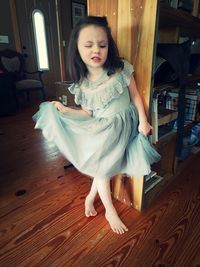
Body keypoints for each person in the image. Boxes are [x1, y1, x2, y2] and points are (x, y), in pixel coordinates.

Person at [33, 16, 160, 235]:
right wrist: (65, 110)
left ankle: (90, 198)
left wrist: (143, 120)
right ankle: (109, 210)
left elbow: (136, 96)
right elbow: (86, 113)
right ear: (77, 50)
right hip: (104, 131)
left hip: (126, 125)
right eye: (88, 45)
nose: (96, 50)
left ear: (109, 46)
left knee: (107, 168)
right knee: (103, 171)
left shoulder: (121, 69)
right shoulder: (82, 84)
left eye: (102, 45)